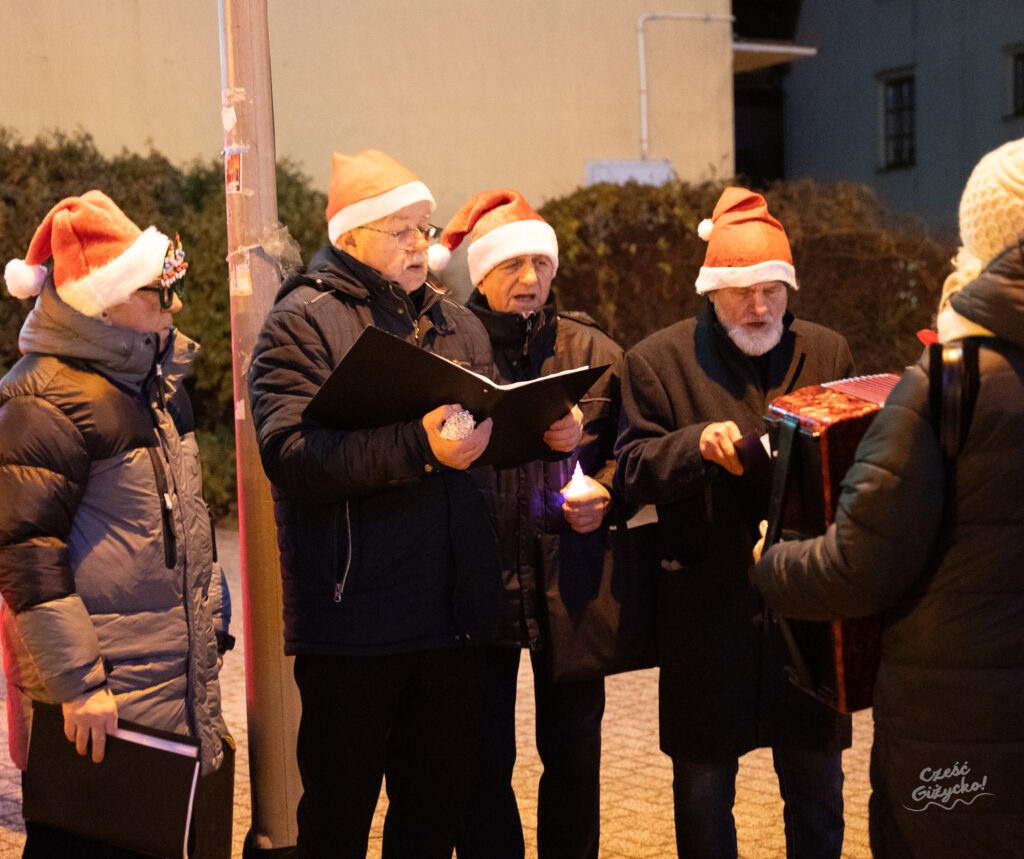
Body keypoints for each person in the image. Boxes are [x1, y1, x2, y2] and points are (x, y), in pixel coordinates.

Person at [248, 151, 559, 858]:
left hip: (452, 621)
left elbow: (480, 439)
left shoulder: (459, 325)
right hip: (354, 620)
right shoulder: (302, 322)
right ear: (351, 237)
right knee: (337, 820)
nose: (422, 244)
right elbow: (291, 456)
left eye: (425, 227)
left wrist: (535, 429)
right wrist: (417, 446)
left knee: (431, 819)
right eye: (401, 231)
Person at [752, 140, 1024, 856]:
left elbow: (858, 566)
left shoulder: (952, 381)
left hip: (956, 738)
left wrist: (770, 560)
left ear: (981, 244)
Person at [614, 187, 855, 858]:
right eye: (743, 291)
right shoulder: (658, 360)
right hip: (706, 612)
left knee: (818, 793)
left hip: (805, 611)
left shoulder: (827, 351)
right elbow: (629, 468)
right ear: (712, 292)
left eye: (773, 290)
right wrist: (694, 446)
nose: (760, 306)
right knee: (702, 798)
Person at [0, 191, 229, 856]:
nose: (176, 306)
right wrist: (79, 684)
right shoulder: (42, 398)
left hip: (160, 694)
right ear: (104, 298)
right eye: (159, 293)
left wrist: (211, 612)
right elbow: (26, 556)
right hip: (103, 706)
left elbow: (178, 527)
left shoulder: (153, 391)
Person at [429, 189, 622, 859]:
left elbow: (633, 454)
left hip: (570, 585)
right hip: (477, 582)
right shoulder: (448, 346)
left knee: (574, 753)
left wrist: (604, 483)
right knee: (482, 759)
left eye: (542, 263)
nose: (531, 279)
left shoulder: (591, 346)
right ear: (480, 273)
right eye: (513, 265)